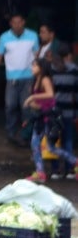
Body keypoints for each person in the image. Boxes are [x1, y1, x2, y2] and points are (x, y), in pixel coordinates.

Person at [0, 12, 39, 146]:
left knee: (26, 107)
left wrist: (39, 76)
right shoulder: (4, 37)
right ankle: (11, 133)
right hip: (12, 78)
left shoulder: (32, 36)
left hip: (28, 77)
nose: (17, 25)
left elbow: (37, 56)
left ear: (23, 22)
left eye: (19, 22)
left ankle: (26, 134)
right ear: (10, 24)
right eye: (14, 23)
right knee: (10, 106)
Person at [23, 57, 77, 182]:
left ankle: (41, 172)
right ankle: (40, 171)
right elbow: (42, 103)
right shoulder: (36, 80)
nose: (32, 68)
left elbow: (50, 94)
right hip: (41, 116)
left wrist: (32, 97)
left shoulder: (45, 79)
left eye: (34, 66)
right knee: (40, 145)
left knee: (47, 146)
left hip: (49, 118)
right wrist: (32, 104)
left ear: (41, 68)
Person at [49, 43, 78, 178]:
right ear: (69, 55)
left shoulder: (52, 69)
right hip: (69, 111)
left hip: (54, 111)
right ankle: (70, 169)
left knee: (53, 140)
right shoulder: (74, 70)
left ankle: (55, 170)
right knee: (68, 140)